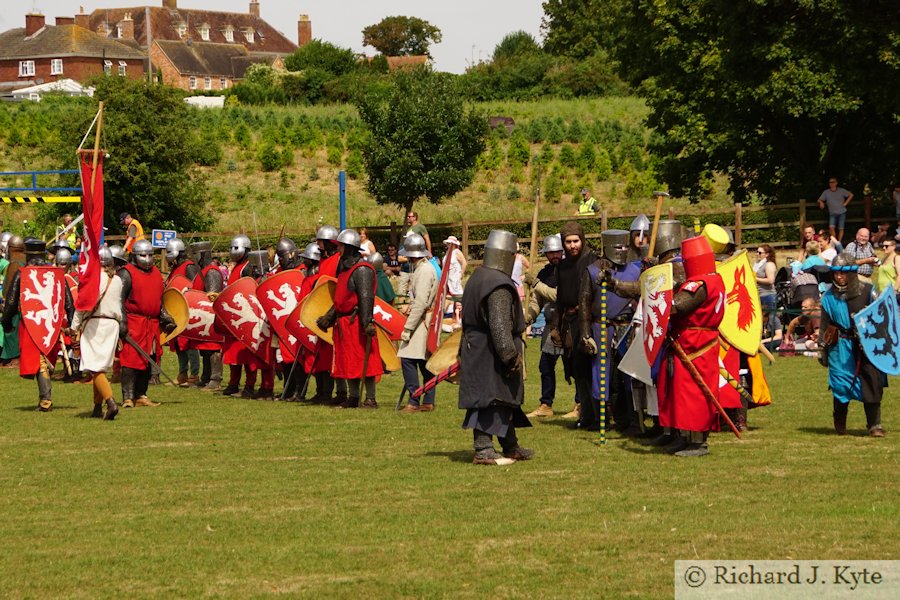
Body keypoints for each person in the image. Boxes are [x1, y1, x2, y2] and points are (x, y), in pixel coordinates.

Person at [458, 229, 532, 465]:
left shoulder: (478, 276)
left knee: (504, 398)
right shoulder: (498, 284)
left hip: (476, 347)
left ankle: (510, 445)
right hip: (489, 351)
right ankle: (483, 448)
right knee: (489, 398)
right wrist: (509, 355)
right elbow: (499, 326)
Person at [655, 236, 726, 457]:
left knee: (693, 394)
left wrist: (657, 297)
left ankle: (698, 442)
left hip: (696, 345)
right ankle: (683, 437)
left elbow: (678, 306)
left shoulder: (701, 284)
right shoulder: (715, 279)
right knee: (679, 392)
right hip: (687, 343)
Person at [0, 238, 74, 411]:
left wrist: (5, 322)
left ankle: (45, 400)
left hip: (31, 323)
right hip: (51, 323)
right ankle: (44, 398)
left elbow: (10, 303)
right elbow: (69, 303)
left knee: (38, 360)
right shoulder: (56, 274)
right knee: (42, 359)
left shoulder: (23, 273)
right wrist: (72, 322)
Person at [818, 253, 886, 437]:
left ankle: (874, 425)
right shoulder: (828, 297)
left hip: (867, 346)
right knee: (840, 385)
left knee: (872, 382)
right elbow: (824, 324)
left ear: (852, 273)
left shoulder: (868, 291)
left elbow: (881, 318)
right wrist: (822, 348)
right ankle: (840, 422)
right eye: (836, 273)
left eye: (843, 273)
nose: (840, 277)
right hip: (840, 347)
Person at [316, 229, 383, 409]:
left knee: (365, 361)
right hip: (344, 323)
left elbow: (366, 298)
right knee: (349, 361)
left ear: (350, 248)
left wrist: (366, 322)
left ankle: (370, 398)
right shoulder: (345, 269)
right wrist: (328, 318)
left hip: (357, 322)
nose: (339, 250)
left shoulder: (362, 269)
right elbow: (342, 298)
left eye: (342, 246)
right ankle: (353, 397)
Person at [583, 230, 641, 432]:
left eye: (625, 246)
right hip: (602, 326)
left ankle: (631, 420)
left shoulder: (634, 269)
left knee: (629, 374)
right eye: (618, 247)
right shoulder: (592, 270)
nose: (623, 250)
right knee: (601, 373)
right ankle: (603, 419)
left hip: (627, 326)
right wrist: (586, 334)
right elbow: (585, 303)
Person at [119, 240, 173, 408]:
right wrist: (122, 321)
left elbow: (159, 299)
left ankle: (141, 394)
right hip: (134, 322)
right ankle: (128, 397)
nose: (148, 259)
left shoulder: (156, 273)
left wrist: (165, 316)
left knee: (148, 359)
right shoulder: (126, 273)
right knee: (130, 360)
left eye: (151, 255)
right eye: (143, 255)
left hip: (152, 324)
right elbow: (118, 300)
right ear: (134, 256)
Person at [70, 247, 123, 420]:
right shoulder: (117, 280)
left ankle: (110, 402)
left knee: (94, 366)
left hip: (96, 324)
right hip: (112, 325)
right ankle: (96, 407)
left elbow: (82, 304)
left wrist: (74, 327)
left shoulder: (94, 280)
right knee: (99, 367)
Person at [553, 221, 597, 420]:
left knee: (590, 370)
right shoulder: (562, 265)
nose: (572, 245)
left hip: (587, 320)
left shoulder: (592, 261)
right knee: (577, 370)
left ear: (583, 240)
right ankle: (585, 414)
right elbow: (560, 297)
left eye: (576, 241)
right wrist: (556, 325)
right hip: (569, 321)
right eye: (568, 242)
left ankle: (595, 415)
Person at [523, 234, 564, 418]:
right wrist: (528, 318)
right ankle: (546, 404)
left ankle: (580, 404)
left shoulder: (569, 270)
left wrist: (537, 284)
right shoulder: (543, 273)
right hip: (550, 326)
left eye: (557, 251)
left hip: (568, 325)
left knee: (574, 368)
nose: (554, 255)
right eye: (550, 252)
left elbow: (558, 296)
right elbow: (536, 302)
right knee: (545, 366)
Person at [398, 234, 438, 412]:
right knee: (423, 361)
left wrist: (408, 327)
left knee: (408, 358)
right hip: (423, 318)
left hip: (422, 321)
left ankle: (415, 399)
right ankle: (428, 400)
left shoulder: (424, 271)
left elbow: (421, 303)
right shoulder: (422, 268)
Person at [164, 239, 200, 387]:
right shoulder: (175, 268)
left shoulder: (189, 267)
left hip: (188, 309)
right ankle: (182, 373)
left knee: (189, 343)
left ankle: (194, 374)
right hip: (175, 310)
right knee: (178, 344)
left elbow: (194, 288)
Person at [190, 241, 225, 392]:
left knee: (213, 347)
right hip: (203, 315)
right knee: (204, 347)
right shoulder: (203, 271)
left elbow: (212, 296)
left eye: (196, 255)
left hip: (211, 315)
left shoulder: (212, 272)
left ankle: (215, 379)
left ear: (202, 255)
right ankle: (206, 376)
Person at [817, 178, 853, 243]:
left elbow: (851, 195)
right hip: (832, 213)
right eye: (830, 182)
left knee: (841, 228)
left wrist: (845, 203)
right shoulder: (826, 192)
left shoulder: (841, 190)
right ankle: (835, 241)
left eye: (833, 182)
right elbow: (819, 199)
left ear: (836, 183)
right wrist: (821, 202)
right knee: (831, 227)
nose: (832, 183)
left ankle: (839, 242)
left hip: (842, 212)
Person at [443, 235, 467, 329]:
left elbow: (464, 262)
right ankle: (454, 318)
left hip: (455, 278)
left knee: (458, 297)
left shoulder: (457, 252)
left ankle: (460, 318)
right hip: (448, 278)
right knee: (452, 297)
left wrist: (461, 273)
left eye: (450, 243)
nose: (449, 245)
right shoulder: (448, 253)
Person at [754, 244, 778, 313]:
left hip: (768, 296)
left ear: (767, 254)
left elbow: (770, 280)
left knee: (770, 320)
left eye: (760, 253)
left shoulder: (769, 264)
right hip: (759, 295)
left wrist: (755, 279)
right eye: (757, 252)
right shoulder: (757, 264)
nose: (757, 254)